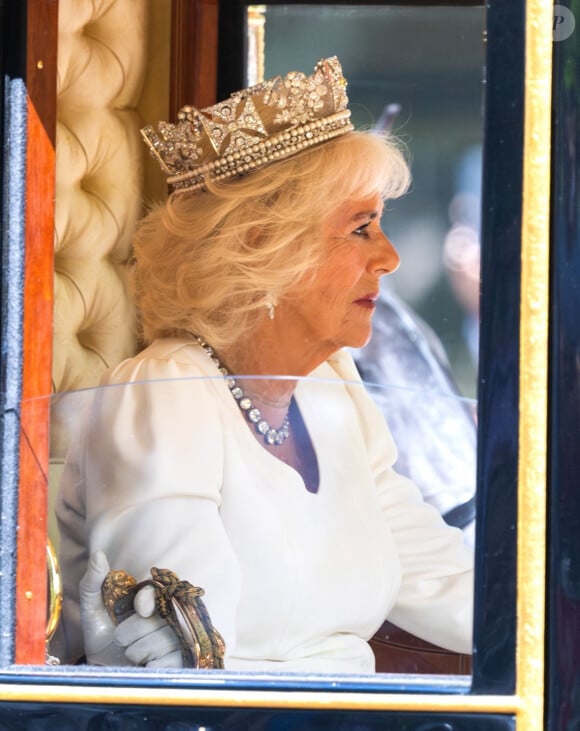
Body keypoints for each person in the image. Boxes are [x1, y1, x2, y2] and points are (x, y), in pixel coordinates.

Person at [53, 57, 473, 674]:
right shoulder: (166, 390)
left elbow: (455, 590)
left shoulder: (333, 391)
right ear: (264, 248)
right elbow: (193, 651)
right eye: (361, 229)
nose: (388, 258)